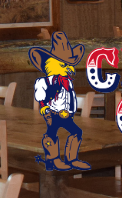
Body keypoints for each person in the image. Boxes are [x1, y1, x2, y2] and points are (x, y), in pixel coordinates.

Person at [31, 32, 89, 171]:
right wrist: (45, 110)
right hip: (52, 113)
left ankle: (72, 158)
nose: (69, 68)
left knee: (76, 132)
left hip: (65, 114)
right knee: (51, 134)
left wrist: (69, 111)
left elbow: (70, 99)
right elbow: (41, 97)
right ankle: (53, 159)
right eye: (64, 65)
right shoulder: (44, 82)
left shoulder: (67, 82)